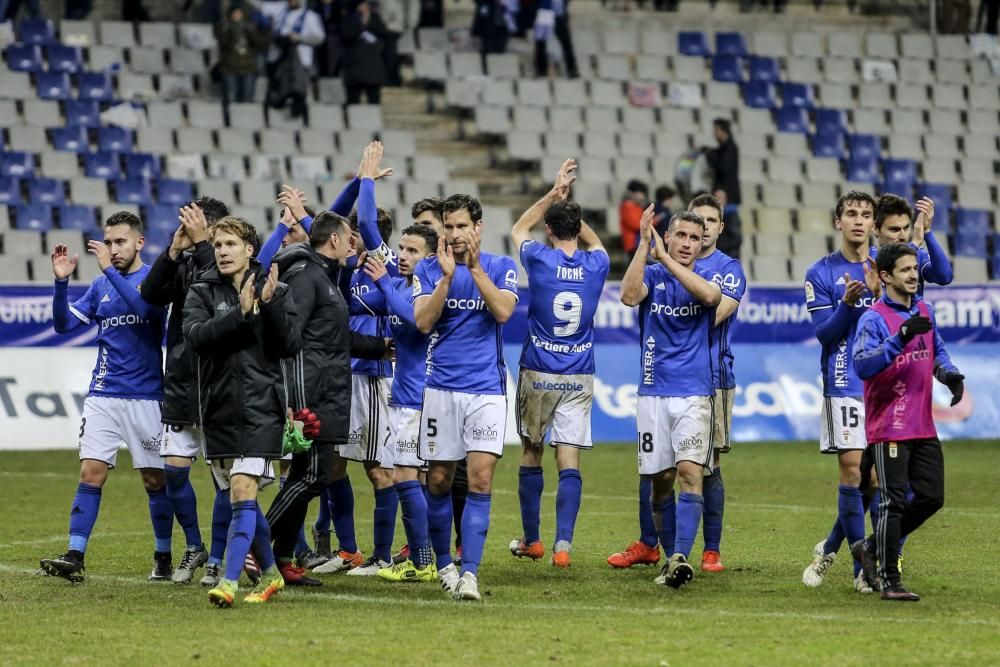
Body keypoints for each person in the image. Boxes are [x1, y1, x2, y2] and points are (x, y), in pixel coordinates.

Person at [39, 212, 171, 583]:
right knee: (90, 472)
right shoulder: (99, 286)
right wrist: (61, 284)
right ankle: (75, 555)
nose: (113, 250)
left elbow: (145, 311)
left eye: (120, 242)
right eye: (108, 242)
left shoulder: (154, 281)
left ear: (139, 243)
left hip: (146, 396)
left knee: (154, 480)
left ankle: (163, 554)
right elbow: (64, 325)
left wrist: (109, 273)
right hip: (104, 394)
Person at [265, 206, 389, 586]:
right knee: (312, 475)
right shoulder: (306, 275)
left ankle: (283, 559)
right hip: (311, 390)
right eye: (349, 236)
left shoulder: (327, 276)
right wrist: (294, 398)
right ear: (334, 239)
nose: (353, 242)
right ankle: (254, 543)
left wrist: (379, 346)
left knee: (309, 476)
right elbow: (289, 336)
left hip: (329, 386)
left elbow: (337, 337)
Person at [183, 216, 301, 607]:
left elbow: (289, 345)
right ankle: (269, 575)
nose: (222, 251)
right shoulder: (200, 291)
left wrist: (267, 307)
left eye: (230, 244)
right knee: (242, 500)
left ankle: (229, 582)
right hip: (218, 409)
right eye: (217, 245)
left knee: (242, 488)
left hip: (262, 408)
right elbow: (197, 339)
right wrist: (239, 312)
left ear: (250, 250)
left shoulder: (276, 288)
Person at [413, 194, 520, 601]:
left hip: (486, 391)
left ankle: (470, 572)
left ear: (478, 227)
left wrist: (473, 270)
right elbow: (423, 322)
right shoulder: (428, 268)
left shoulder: (500, 267)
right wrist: (444, 279)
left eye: (461, 226)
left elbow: (504, 313)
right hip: (441, 388)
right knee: (438, 480)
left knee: (480, 479)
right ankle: (444, 564)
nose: (454, 234)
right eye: (449, 227)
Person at [507, 158, 610, 568]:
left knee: (531, 454)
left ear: (549, 230)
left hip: (537, 371)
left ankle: (532, 540)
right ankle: (563, 546)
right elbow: (597, 242)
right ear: (578, 230)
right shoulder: (598, 264)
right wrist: (571, 210)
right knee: (569, 459)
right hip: (578, 374)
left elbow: (518, 228)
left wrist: (553, 194)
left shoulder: (538, 260)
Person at [852, 243, 963, 601]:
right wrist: (899, 338)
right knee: (893, 502)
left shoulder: (924, 309)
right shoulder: (874, 318)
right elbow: (864, 365)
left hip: (922, 424)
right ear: (885, 277)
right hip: (890, 426)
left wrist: (948, 374)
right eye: (905, 270)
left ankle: (869, 546)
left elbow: (936, 348)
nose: (914, 274)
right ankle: (889, 580)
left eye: (915, 268)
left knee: (932, 497)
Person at [619, 208, 721, 589]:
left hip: (694, 394)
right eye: (681, 236)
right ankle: (668, 553)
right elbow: (629, 296)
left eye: (695, 238)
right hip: (653, 394)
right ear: (668, 236)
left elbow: (710, 297)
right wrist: (645, 250)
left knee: (690, 473)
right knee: (660, 480)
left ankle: (679, 557)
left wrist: (664, 259)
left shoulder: (707, 275)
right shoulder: (653, 273)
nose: (688, 244)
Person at [141, 198, 230, 585]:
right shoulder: (185, 263)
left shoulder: (228, 263)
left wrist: (205, 246)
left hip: (219, 384)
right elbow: (150, 293)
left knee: (223, 479)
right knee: (174, 474)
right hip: (180, 382)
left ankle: (220, 556)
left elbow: (223, 289)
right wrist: (174, 250)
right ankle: (196, 546)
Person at [800, 191, 882, 595]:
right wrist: (848, 304)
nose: (858, 220)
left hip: (882, 384)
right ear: (838, 222)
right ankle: (860, 569)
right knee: (853, 471)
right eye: (851, 213)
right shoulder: (820, 273)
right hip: (843, 381)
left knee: (875, 480)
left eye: (865, 214)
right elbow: (825, 335)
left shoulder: (885, 267)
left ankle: (830, 546)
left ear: (872, 223)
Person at [361, 223, 440, 582]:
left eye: (413, 251)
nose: (404, 256)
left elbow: (415, 320)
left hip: (421, 396)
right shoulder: (394, 287)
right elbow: (350, 302)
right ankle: (425, 557)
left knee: (404, 475)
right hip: (406, 396)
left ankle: (423, 560)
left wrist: (381, 282)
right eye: (402, 249)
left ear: (431, 257)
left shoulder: (430, 292)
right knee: (415, 477)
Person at [260, 0, 326, 121]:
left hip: (300, 60)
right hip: (279, 59)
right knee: (277, 92)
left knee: (298, 90)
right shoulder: (280, 13)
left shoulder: (311, 16)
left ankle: (298, 118)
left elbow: (319, 38)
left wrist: (299, 38)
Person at [873, 194, 953, 290]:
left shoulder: (918, 255)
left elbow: (944, 277)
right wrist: (914, 243)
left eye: (906, 228)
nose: (903, 236)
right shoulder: (867, 259)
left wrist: (927, 232)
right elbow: (894, 264)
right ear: (875, 229)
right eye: (894, 230)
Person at [215, 3, 270, 124]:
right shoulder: (224, 26)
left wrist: (257, 30)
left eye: (239, 13)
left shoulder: (249, 26)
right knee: (231, 96)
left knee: (247, 97)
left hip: (247, 67)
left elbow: (259, 42)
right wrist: (232, 30)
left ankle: (246, 122)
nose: (237, 15)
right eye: (235, 13)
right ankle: (230, 121)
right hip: (229, 67)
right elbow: (223, 42)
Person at [341, 0, 389, 104]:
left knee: (374, 102)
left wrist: (368, 21)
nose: (366, 6)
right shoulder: (350, 19)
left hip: (373, 69)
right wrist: (362, 24)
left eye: (367, 4)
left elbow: (383, 32)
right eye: (363, 4)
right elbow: (346, 35)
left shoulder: (375, 18)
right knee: (353, 102)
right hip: (354, 69)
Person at [532, 0, 578, 78]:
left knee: (566, 42)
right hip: (544, 12)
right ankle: (541, 70)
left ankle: (572, 69)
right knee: (541, 42)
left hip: (558, 13)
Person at [705, 119, 741, 210]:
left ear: (724, 131)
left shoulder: (730, 148)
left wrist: (709, 156)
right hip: (722, 197)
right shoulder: (722, 149)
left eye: (716, 129)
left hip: (728, 197)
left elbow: (723, 167)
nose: (714, 133)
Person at [619, 179, 648, 255]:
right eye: (641, 194)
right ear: (632, 193)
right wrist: (652, 221)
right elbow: (635, 224)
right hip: (632, 245)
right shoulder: (626, 207)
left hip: (639, 243)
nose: (642, 197)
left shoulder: (638, 207)